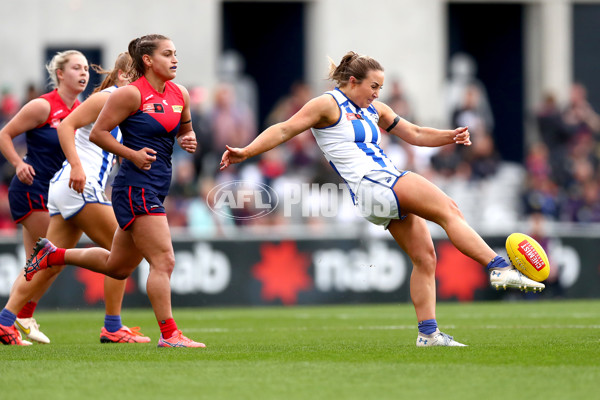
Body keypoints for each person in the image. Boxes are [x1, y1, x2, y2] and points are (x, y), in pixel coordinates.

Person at [219, 51, 545, 347]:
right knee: (449, 209)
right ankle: (498, 266)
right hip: (376, 183)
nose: (377, 94)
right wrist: (246, 152)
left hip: (376, 193)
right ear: (352, 81)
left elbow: (414, 134)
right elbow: (283, 130)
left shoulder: (375, 109)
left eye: (380, 88)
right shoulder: (327, 104)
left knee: (425, 257)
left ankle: (428, 333)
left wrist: (450, 135)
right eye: (373, 86)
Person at [22, 34, 204, 348]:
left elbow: (185, 129)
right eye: (167, 54)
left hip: (158, 185)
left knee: (117, 267)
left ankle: (54, 256)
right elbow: (99, 135)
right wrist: (131, 154)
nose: (175, 59)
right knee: (164, 261)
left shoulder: (180, 93)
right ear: (147, 60)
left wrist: (187, 139)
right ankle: (170, 335)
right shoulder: (130, 95)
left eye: (176, 53)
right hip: (134, 187)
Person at [1, 52, 152, 345]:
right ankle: (112, 326)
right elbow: (66, 129)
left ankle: (6, 319)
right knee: (123, 252)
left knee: (47, 262)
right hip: (72, 186)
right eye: (135, 75)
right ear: (121, 76)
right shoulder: (108, 98)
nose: (140, 82)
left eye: (86, 68)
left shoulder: (120, 104)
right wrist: (77, 167)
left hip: (64, 187)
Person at [0, 50, 88, 345]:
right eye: (76, 68)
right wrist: (18, 163)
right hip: (32, 188)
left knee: (41, 262)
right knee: (47, 260)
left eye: (86, 68)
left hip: (55, 194)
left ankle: (16, 319)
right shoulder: (42, 106)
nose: (84, 73)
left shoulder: (81, 109)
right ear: (60, 74)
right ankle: (13, 319)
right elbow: (4, 134)